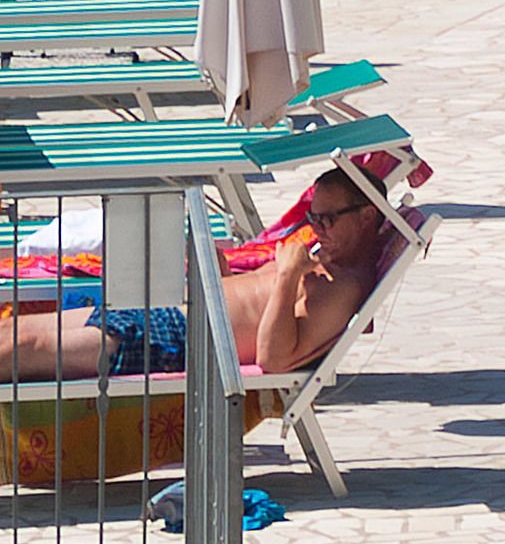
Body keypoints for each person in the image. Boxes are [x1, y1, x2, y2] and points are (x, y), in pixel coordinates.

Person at [0, 161, 396, 382]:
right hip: (165, 312)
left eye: (327, 219)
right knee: (16, 331)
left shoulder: (344, 286)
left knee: (24, 349)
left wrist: (288, 276)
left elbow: (274, 359)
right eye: (314, 217)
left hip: (176, 340)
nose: (317, 228)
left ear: (366, 216)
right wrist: (219, 272)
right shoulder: (326, 259)